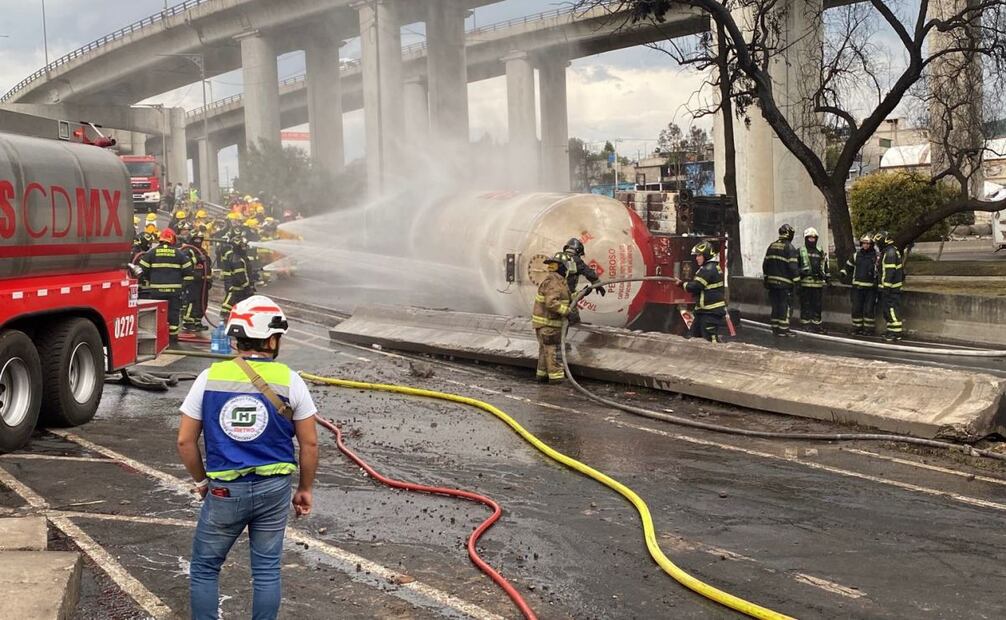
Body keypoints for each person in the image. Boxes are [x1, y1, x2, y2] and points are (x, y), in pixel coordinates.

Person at [177, 296, 318, 620]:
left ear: (235, 336)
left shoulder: (209, 377)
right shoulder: (290, 379)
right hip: (274, 488)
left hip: (226, 491)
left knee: (205, 568)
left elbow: (185, 441)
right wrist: (305, 489)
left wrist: (201, 482)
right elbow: (309, 445)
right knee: (267, 570)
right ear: (271, 339)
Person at [138, 229, 193, 343]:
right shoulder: (179, 253)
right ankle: (172, 338)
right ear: (172, 239)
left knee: (157, 314)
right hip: (174, 291)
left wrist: (149, 278)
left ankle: (157, 337)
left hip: (156, 291)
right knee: (173, 313)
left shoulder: (152, 253)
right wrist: (183, 286)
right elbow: (188, 271)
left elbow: (141, 269)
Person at [532, 256, 572, 384]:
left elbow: (562, 297)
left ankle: (542, 376)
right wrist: (566, 311)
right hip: (550, 324)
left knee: (545, 352)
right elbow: (551, 303)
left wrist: (580, 294)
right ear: (563, 267)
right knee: (553, 352)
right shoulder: (555, 282)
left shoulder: (554, 280)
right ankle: (557, 379)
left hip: (544, 324)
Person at [681, 241, 727, 342]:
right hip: (703, 311)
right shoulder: (712, 267)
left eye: (699, 255)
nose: (697, 258)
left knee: (709, 338)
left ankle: (715, 356)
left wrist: (681, 284)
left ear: (706, 255)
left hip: (710, 312)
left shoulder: (708, 270)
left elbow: (695, 286)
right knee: (694, 336)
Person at [762, 224, 800, 336]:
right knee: (785, 306)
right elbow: (793, 267)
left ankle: (775, 328)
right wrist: (797, 282)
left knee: (775, 306)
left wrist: (766, 279)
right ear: (789, 234)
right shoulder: (790, 248)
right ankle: (783, 330)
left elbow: (765, 264)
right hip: (785, 284)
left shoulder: (771, 246)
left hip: (772, 284)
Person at [555, 238, 604, 324]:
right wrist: (597, 284)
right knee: (573, 317)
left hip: (552, 294)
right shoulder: (575, 260)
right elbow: (588, 272)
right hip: (566, 295)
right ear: (578, 251)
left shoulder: (557, 258)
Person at [839, 234, 879, 335]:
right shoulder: (856, 255)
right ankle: (857, 327)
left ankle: (869, 329)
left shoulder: (876, 257)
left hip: (870, 288)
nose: (865, 245)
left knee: (869, 309)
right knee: (856, 308)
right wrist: (843, 273)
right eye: (863, 243)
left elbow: (879, 271)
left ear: (871, 245)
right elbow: (848, 266)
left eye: (867, 244)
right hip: (857, 287)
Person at [797, 227, 830, 333]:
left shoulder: (820, 250)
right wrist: (801, 273)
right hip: (805, 283)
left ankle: (817, 325)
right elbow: (794, 267)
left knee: (817, 306)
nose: (812, 240)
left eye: (814, 238)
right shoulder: (800, 251)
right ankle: (805, 325)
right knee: (805, 305)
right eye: (810, 238)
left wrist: (827, 277)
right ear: (806, 238)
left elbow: (824, 265)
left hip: (817, 284)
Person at [182, 232, 213, 333]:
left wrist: (208, 279)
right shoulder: (187, 250)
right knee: (192, 301)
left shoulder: (202, 251)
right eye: (196, 239)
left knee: (202, 302)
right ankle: (188, 323)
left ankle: (197, 322)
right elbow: (185, 264)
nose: (198, 241)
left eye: (200, 239)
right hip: (192, 281)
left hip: (202, 282)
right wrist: (197, 259)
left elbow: (207, 267)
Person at [877, 231, 905, 341]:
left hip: (891, 289)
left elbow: (889, 272)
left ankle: (896, 332)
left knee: (892, 309)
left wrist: (886, 287)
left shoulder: (890, 253)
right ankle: (891, 330)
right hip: (891, 288)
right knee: (888, 310)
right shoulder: (890, 251)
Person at [220, 236, 256, 320]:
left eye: (245, 246)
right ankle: (226, 318)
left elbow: (245, 271)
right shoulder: (237, 259)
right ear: (237, 247)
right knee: (231, 301)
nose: (244, 248)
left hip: (240, 287)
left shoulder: (241, 257)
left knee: (242, 305)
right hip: (238, 288)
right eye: (242, 246)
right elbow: (241, 276)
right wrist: (247, 287)